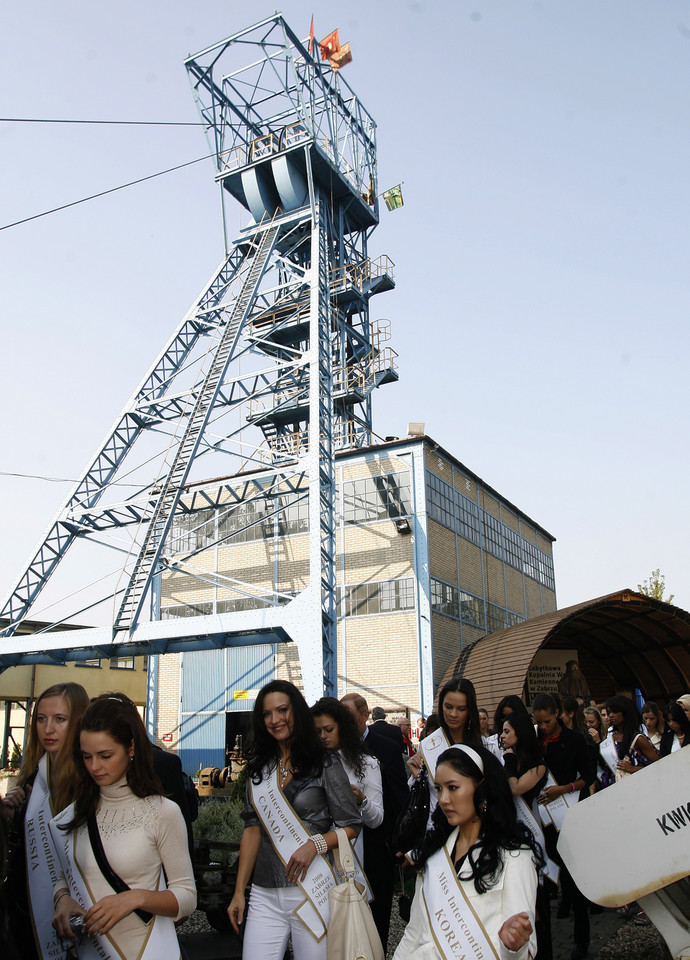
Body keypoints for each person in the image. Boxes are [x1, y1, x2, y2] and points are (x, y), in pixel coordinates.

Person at [50, 693, 196, 958]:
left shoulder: (162, 812)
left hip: (149, 949)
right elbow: (65, 872)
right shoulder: (76, 813)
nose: (95, 766)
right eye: (86, 756)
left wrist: (135, 898)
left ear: (131, 748)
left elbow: (187, 897)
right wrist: (61, 898)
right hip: (88, 951)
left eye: (105, 755)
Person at [228, 681, 361, 960]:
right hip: (264, 893)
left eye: (282, 710)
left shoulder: (324, 762)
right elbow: (251, 829)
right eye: (266, 714)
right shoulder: (259, 769)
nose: (275, 720)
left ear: (296, 712)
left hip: (311, 890)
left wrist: (315, 845)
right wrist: (239, 891)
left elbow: (351, 825)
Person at [393, 744, 541, 960]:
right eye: (439, 788)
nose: (443, 799)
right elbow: (414, 933)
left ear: (481, 788)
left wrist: (513, 946)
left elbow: (526, 949)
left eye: (453, 787)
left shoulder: (515, 856)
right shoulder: (435, 854)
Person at [1, 682, 89, 960]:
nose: (48, 729)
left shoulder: (87, 783)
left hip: (73, 909)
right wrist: (9, 816)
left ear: (77, 723)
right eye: (41, 719)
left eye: (59, 720)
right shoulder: (32, 775)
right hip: (23, 909)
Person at [341, 691, 408, 952]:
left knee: (377, 916)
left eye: (349, 716)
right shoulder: (333, 751)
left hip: (377, 847)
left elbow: (399, 798)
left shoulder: (387, 748)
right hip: (343, 848)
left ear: (365, 715)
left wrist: (400, 842)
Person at [532, 693, 595, 960]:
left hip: (568, 814)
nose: (543, 726)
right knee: (546, 879)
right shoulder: (535, 740)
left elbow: (589, 776)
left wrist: (565, 789)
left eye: (547, 721)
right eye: (539, 722)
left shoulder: (574, 740)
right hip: (542, 818)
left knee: (574, 878)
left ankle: (581, 939)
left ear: (557, 713)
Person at [501, 711, 552, 960]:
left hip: (532, 833)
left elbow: (516, 788)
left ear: (519, 734)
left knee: (537, 902)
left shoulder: (537, 764)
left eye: (507, 731)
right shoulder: (507, 760)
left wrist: (508, 764)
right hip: (510, 834)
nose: (501, 736)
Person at [312, 696, 384, 868]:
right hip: (312, 856)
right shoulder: (308, 763)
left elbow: (377, 820)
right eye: (317, 731)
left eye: (329, 729)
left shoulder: (367, 764)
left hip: (347, 856)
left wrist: (362, 801)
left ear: (342, 728)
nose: (323, 736)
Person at [598, 695, 658, 788]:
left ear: (625, 712)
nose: (610, 715)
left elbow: (658, 765)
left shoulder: (638, 739)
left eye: (615, 711)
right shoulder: (611, 738)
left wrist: (633, 769)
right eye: (609, 712)